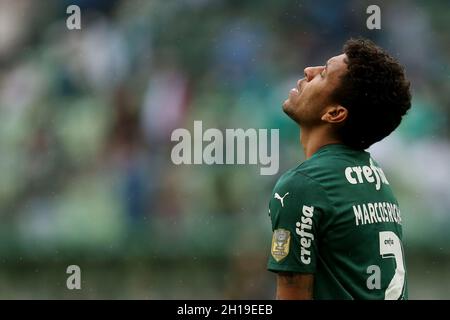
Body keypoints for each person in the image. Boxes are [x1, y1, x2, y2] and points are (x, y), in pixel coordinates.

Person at [267, 38, 412, 300]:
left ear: (334, 113)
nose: (308, 71)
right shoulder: (375, 178)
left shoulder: (302, 185)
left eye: (323, 74)